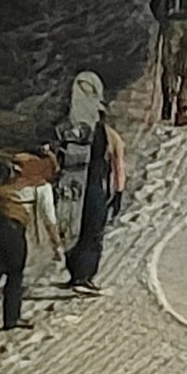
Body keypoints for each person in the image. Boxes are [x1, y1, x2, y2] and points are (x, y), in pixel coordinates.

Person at [0, 149, 63, 330]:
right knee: (15, 273)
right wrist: (57, 244)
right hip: (11, 227)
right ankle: (11, 319)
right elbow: (49, 219)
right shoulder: (41, 186)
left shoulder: (0, 179)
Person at [64, 106, 127, 294]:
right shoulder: (110, 135)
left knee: (74, 231)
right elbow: (118, 166)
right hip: (94, 188)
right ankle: (83, 277)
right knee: (93, 232)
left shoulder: (72, 132)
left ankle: (74, 271)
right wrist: (118, 192)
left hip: (72, 189)